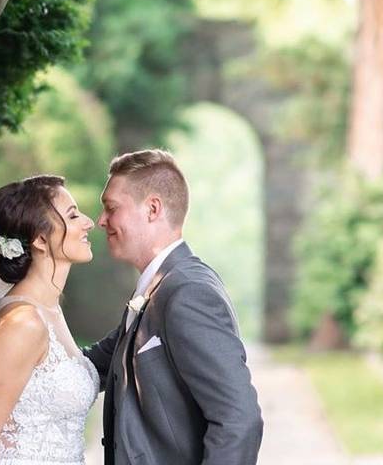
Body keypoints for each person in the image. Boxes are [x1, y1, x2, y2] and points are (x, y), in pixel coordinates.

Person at [84, 149, 263, 465]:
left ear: (152, 209)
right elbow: (88, 365)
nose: (101, 221)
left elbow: (239, 419)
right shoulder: (157, 289)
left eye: (111, 208)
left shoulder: (188, 293)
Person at [0, 175, 99, 465]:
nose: (88, 222)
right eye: (73, 215)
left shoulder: (47, 311)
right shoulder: (24, 323)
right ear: (40, 239)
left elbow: (27, 366)